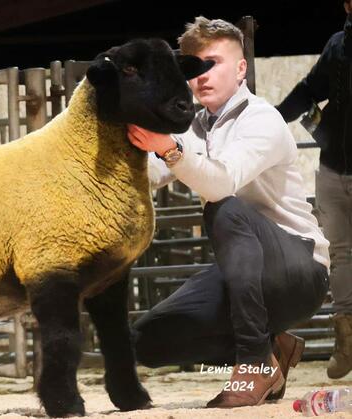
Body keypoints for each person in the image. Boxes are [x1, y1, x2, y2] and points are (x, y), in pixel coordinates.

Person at [127, 16, 330, 408]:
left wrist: (167, 147)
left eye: (213, 62)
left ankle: (252, 365)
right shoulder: (194, 126)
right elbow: (153, 172)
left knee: (226, 208)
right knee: (146, 341)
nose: (202, 75)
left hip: (299, 270)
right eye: (194, 66)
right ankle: (271, 353)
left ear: (241, 69)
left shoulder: (262, 119)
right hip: (243, 273)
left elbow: (220, 183)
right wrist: (131, 144)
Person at [276, 0, 352, 380]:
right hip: (333, 167)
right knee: (339, 254)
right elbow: (309, 90)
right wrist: (272, 118)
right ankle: (346, 341)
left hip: (336, 166)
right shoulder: (338, 45)